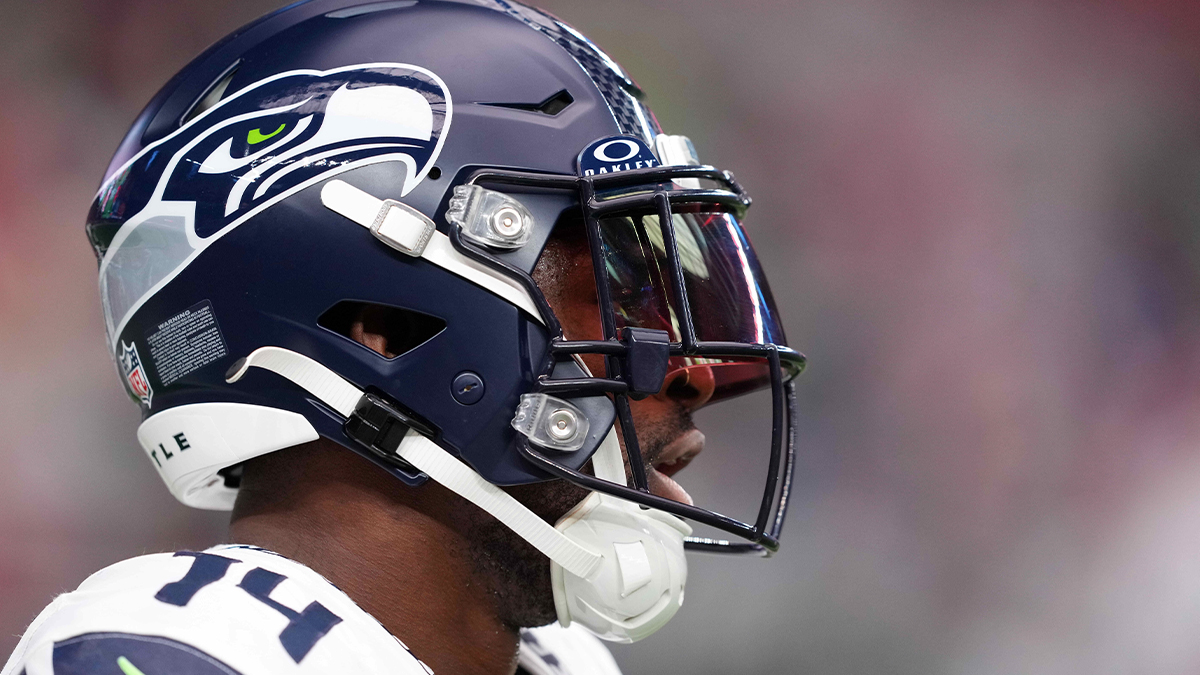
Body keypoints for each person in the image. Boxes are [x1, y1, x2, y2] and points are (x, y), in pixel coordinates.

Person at [2, 1, 805, 674]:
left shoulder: (567, 659)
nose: (694, 371)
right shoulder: (183, 648)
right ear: (384, 329)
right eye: (619, 286)